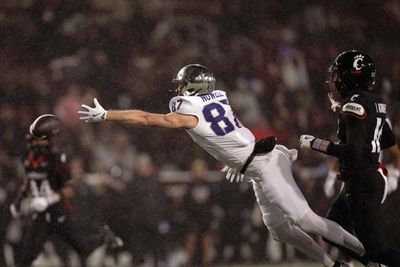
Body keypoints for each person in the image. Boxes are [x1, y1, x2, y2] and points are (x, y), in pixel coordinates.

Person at [78, 64, 365, 267]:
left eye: (181, 84)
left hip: (263, 163)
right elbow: (230, 131)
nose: (177, 89)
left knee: (306, 220)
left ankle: (366, 250)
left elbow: (146, 118)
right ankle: (332, 264)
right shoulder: (217, 97)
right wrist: (237, 159)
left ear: (193, 86)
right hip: (256, 162)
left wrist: (107, 115)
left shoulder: (188, 111)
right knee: (278, 230)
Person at [299, 50, 400, 267]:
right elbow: (388, 140)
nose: (336, 81)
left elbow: (353, 152)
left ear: (352, 76)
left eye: (339, 75)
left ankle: (374, 263)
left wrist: (316, 144)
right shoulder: (375, 101)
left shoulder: (354, 103)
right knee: (331, 229)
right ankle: (371, 264)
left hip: (362, 181)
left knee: (378, 250)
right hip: (363, 178)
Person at [10, 114, 122, 267]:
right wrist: (18, 201)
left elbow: (68, 190)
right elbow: (28, 182)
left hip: (58, 212)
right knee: (27, 254)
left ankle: (103, 236)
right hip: (41, 214)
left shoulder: (56, 159)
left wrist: (47, 200)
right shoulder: (29, 159)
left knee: (82, 248)